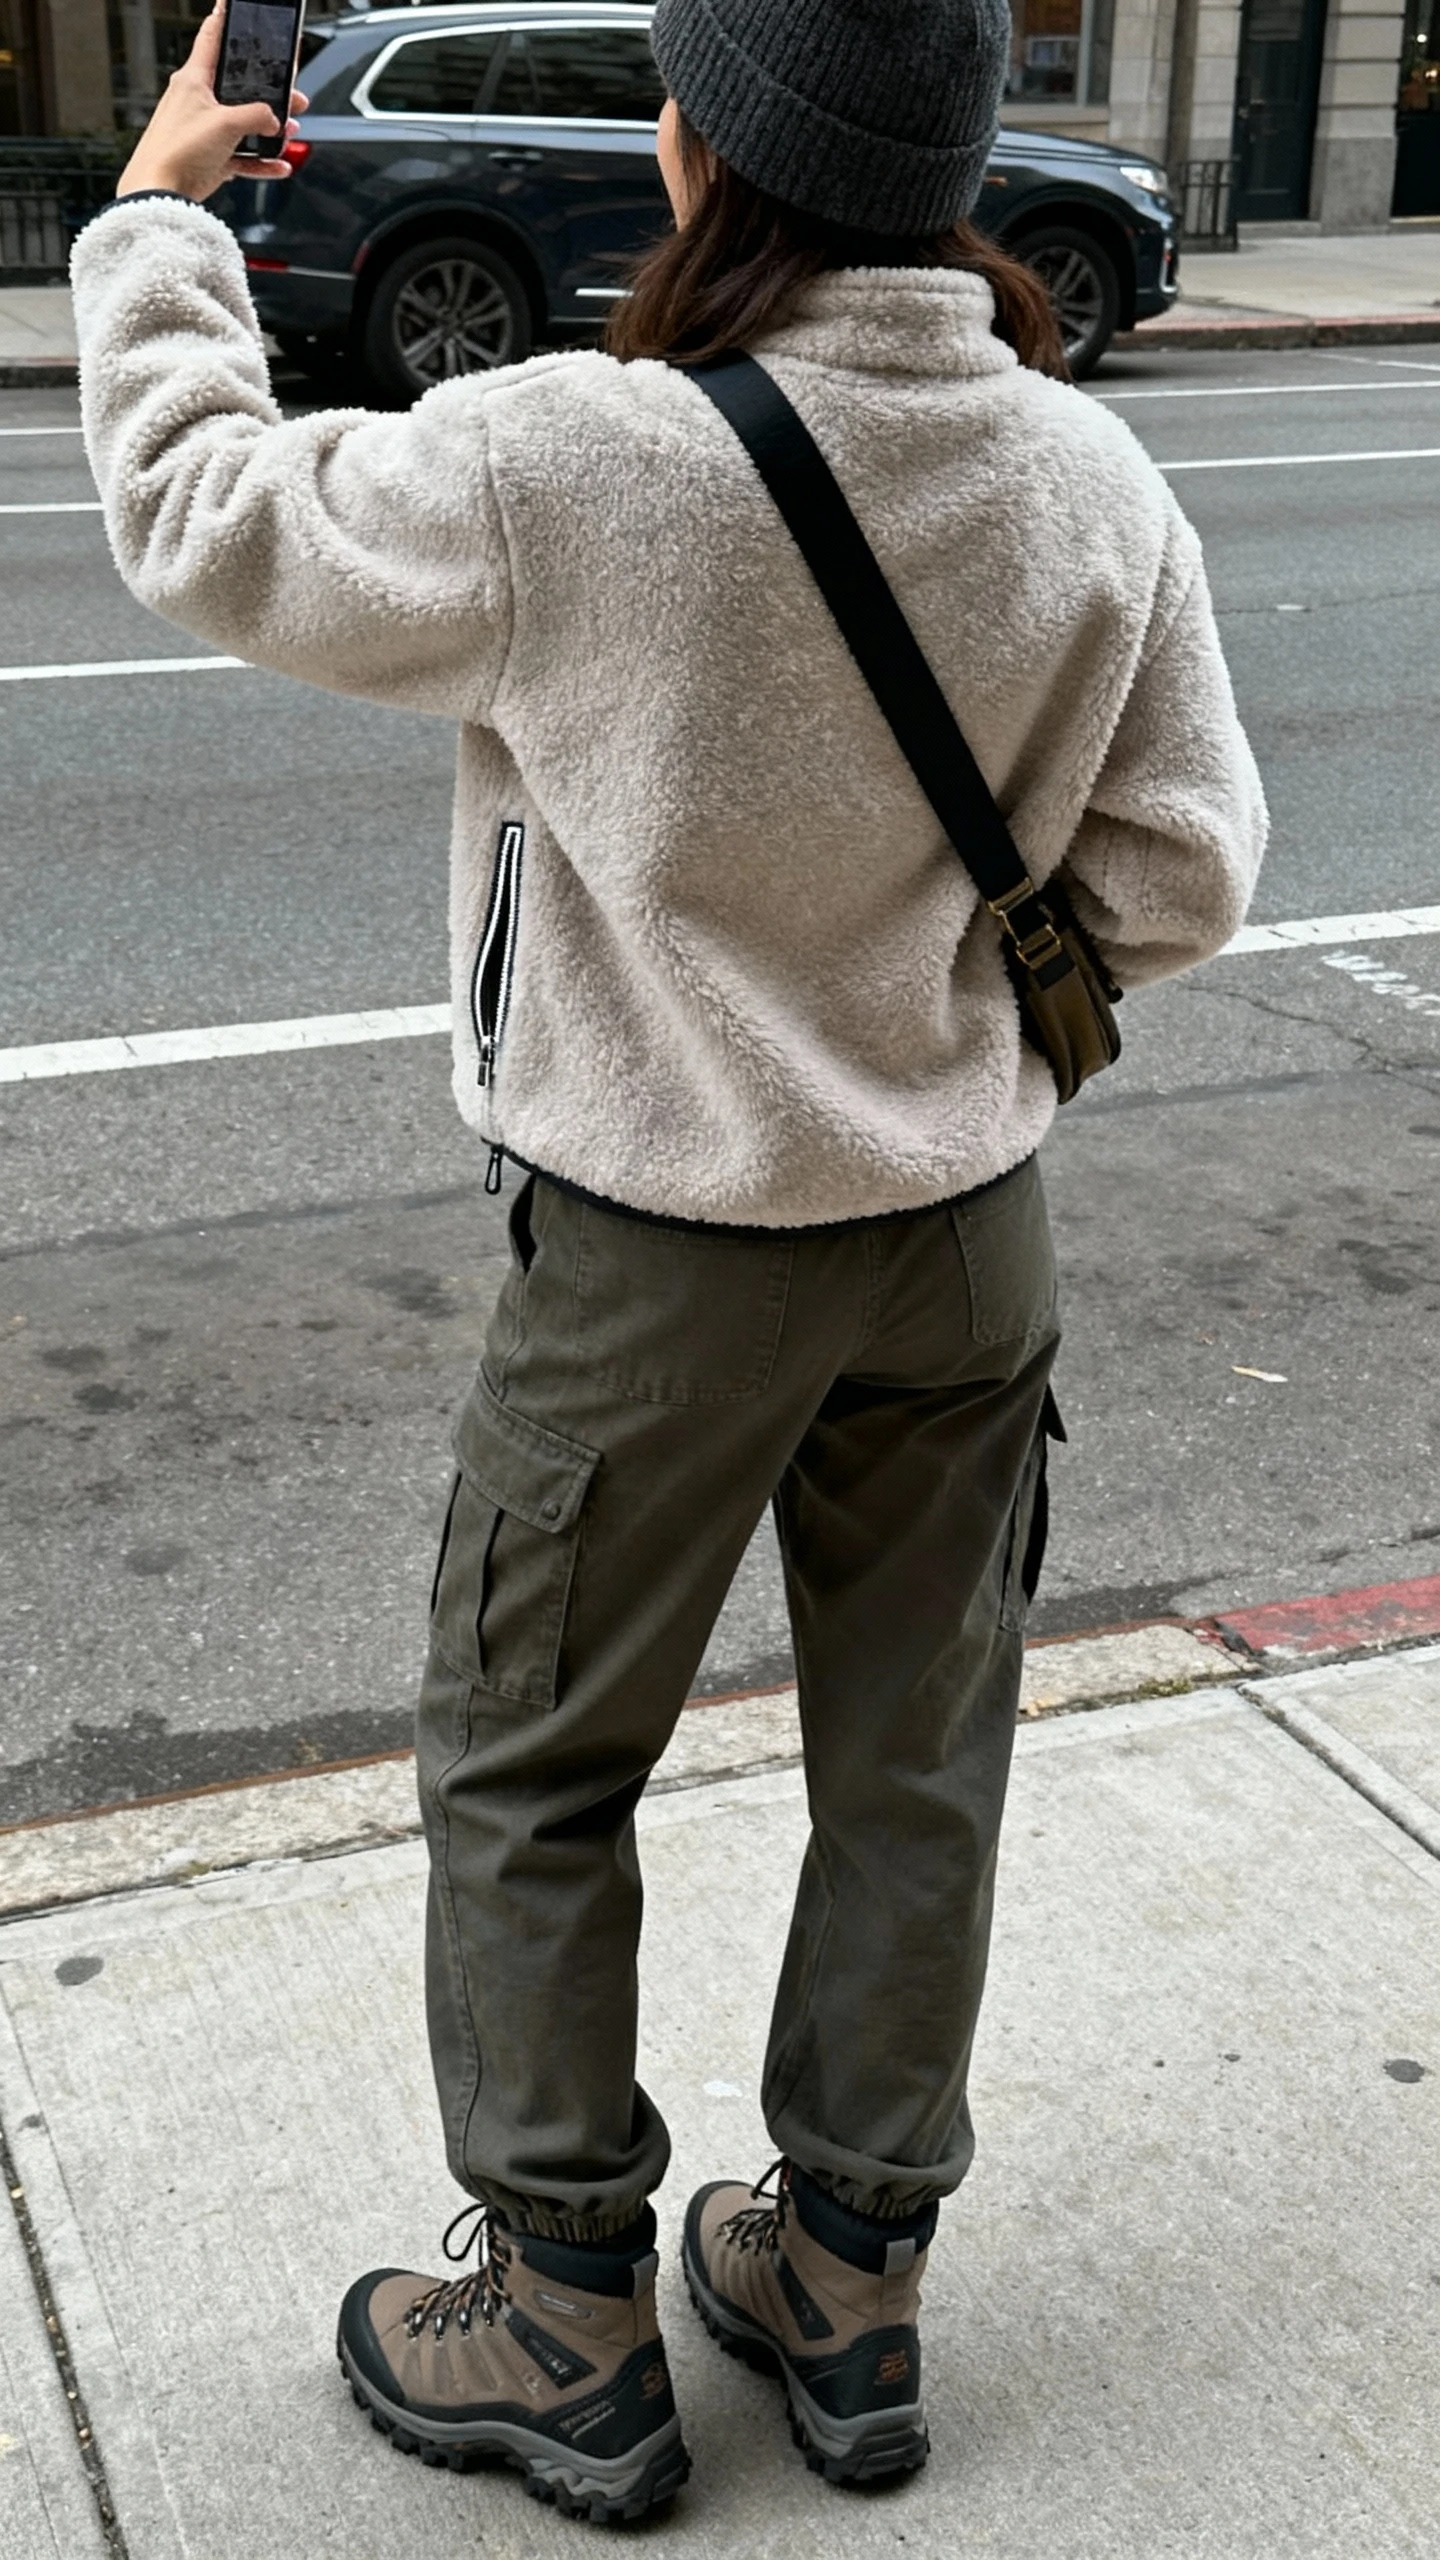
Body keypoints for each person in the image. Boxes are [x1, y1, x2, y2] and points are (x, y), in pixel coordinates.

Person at [74, 0, 1267, 2525]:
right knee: (916, 1754)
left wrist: (171, 213)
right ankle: (845, 2271)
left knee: (529, 1756)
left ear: (695, 143)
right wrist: (925, 1006)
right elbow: (1186, 877)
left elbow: (199, 509)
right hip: (966, 1231)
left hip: (661, 1248)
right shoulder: (1083, 473)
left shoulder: (566, 467)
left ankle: (563, 2306)